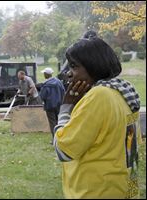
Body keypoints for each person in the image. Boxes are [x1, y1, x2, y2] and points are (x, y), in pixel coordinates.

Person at [53, 34, 141, 198]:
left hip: (96, 192)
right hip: (121, 187)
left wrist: (66, 106)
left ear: (94, 66)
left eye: (74, 66)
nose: (69, 74)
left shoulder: (99, 96)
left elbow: (63, 150)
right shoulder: (123, 91)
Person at [39, 67, 65, 144]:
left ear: (45, 75)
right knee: (59, 122)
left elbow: (42, 96)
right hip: (59, 105)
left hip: (50, 106)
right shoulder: (59, 82)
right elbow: (63, 91)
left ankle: (55, 140)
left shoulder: (46, 85)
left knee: (52, 123)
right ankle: (61, 138)